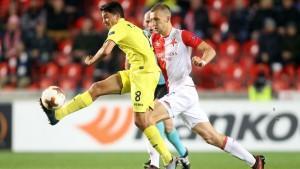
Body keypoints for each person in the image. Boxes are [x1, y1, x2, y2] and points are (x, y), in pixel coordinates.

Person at [39, 2, 176, 169]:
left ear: (116, 16)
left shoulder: (118, 27)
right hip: (136, 72)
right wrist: (129, 60)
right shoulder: (130, 27)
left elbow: (106, 50)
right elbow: (139, 45)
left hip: (145, 76)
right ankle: (57, 115)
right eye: (102, 17)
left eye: (106, 17)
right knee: (97, 88)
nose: (104, 20)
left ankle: (169, 160)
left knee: (141, 121)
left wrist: (91, 61)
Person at [147, 3, 265, 169]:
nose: (153, 24)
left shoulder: (182, 36)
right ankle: (255, 162)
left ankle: (157, 164)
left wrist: (202, 60)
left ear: (168, 18)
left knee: (147, 117)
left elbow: (209, 50)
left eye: (156, 20)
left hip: (183, 90)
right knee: (212, 137)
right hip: (175, 92)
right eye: (151, 20)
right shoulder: (154, 40)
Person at [141, 11, 189, 169]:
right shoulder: (141, 37)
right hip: (148, 85)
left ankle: (163, 160)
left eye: (152, 21)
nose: (150, 24)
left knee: (157, 122)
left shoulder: (166, 37)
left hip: (164, 85)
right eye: (147, 21)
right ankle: (179, 157)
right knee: (165, 127)